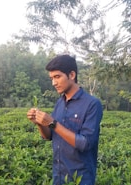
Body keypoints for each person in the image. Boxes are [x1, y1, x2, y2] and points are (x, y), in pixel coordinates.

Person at [27, 54, 103, 185]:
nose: (54, 83)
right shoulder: (60, 103)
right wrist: (40, 123)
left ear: (72, 75)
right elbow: (49, 136)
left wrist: (53, 123)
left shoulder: (92, 104)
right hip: (59, 176)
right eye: (51, 78)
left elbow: (85, 144)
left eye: (57, 77)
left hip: (80, 179)